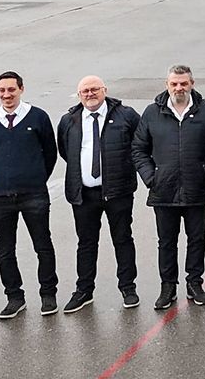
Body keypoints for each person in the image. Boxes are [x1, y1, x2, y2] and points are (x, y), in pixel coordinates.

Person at [131, 65, 205, 311]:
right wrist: (152, 177)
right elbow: (138, 149)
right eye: (174, 84)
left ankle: (194, 283)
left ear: (192, 83)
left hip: (196, 189)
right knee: (166, 242)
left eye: (183, 83)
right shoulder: (152, 113)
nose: (179, 88)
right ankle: (168, 287)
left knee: (197, 240)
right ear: (167, 84)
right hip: (164, 191)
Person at [56, 76, 142, 312]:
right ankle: (84, 290)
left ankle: (128, 287)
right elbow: (65, 152)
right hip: (84, 195)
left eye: (94, 89)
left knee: (123, 239)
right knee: (86, 243)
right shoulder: (69, 120)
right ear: (79, 94)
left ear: (105, 90)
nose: (90, 94)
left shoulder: (126, 115)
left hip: (118, 191)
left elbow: (141, 145)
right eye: (85, 90)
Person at [0, 71, 59, 320]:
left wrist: (35, 178)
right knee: (5, 249)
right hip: (0, 198)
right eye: (2, 90)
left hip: (33, 194)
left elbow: (50, 152)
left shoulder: (37, 117)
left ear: (21, 89)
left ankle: (48, 294)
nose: (7, 95)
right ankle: (14, 297)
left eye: (11, 90)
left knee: (42, 246)